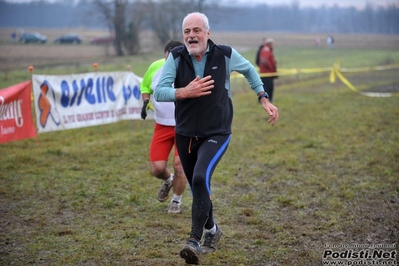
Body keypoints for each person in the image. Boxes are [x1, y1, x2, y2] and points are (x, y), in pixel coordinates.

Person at [154, 12, 279, 264]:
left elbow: (251, 71)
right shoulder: (177, 58)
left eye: (196, 30)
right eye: (187, 31)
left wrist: (263, 98)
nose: (191, 35)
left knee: (200, 178)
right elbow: (160, 91)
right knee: (197, 184)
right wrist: (184, 91)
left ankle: (193, 240)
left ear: (207, 33)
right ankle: (212, 229)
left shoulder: (225, 54)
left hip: (217, 132)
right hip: (185, 133)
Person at [140, 40, 187, 214]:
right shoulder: (156, 67)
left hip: (185, 126)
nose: (170, 65)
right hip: (162, 126)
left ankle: (176, 200)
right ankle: (168, 181)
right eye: (168, 60)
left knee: (180, 165)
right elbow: (145, 86)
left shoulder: (190, 69)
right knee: (157, 168)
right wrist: (146, 100)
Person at [258, 38, 277, 102]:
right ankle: (264, 100)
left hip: (269, 72)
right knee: (266, 87)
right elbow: (264, 60)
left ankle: (269, 99)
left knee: (269, 87)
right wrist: (271, 67)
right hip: (266, 72)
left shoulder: (268, 49)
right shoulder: (266, 50)